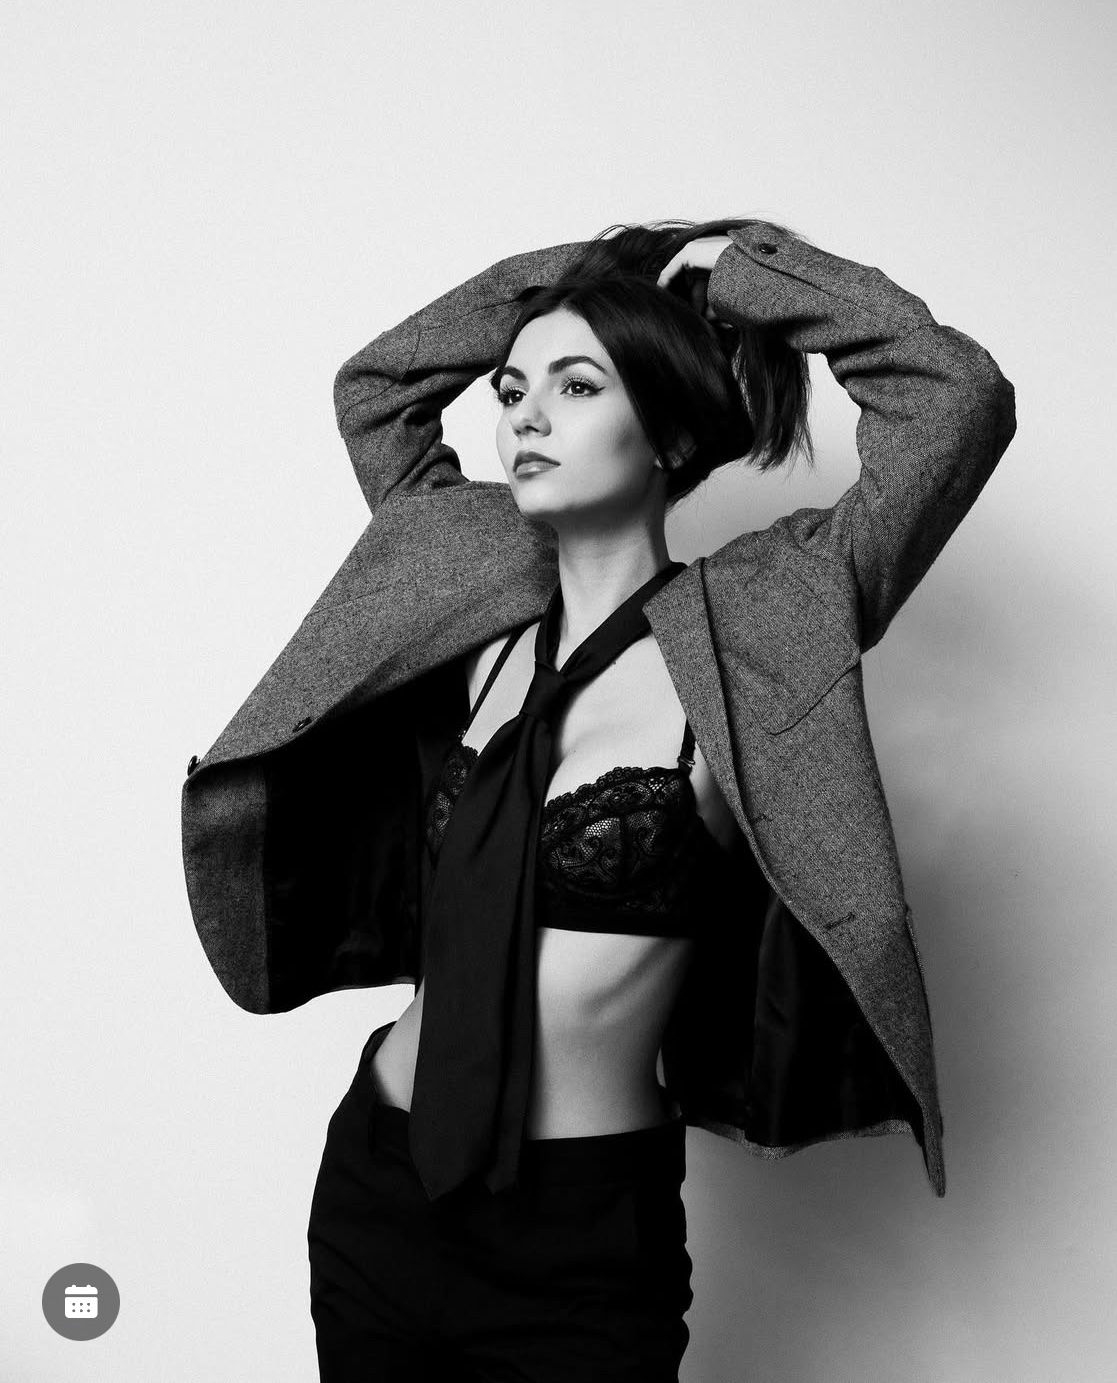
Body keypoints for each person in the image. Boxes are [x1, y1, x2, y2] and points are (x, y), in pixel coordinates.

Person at [180, 216, 1017, 1381]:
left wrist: (734, 273)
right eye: (513, 390)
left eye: (576, 387)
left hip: (577, 1238)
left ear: (669, 432)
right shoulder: (463, 591)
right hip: (380, 1187)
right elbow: (378, 388)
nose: (525, 417)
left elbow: (955, 397)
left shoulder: (767, 624)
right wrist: (579, 276)